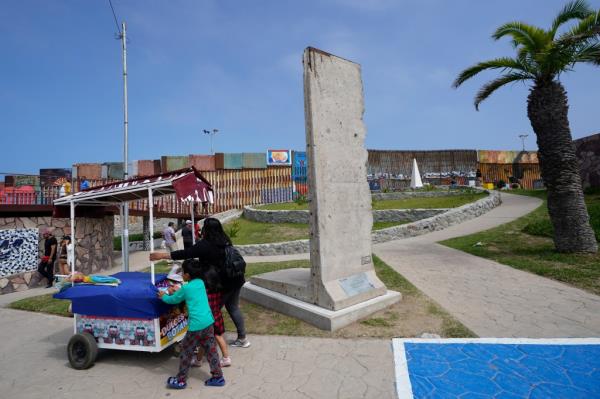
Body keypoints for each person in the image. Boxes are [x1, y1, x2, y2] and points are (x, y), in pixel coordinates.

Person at [150, 217, 250, 349]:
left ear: (206, 229)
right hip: (236, 278)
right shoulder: (225, 240)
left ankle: (206, 342)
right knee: (233, 307)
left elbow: (186, 253)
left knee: (210, 312)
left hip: (221, 283)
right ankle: (242, 338)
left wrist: (162, 256)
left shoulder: (206, 244)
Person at [158, 259, 225, 389]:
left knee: (186, 351)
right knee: (211, 351)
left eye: (183, 272)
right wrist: (178, 290)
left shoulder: (187, 287)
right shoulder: (200, 282)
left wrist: (163, 296)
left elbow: (173, 300)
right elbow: (187, 293)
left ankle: (181, 380)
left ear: (188, 275)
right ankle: (218, 377)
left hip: (196, 326)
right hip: (208, 322)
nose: (181, 274)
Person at [191, 264, 231, 368]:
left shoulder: (205, 291)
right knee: (209, 339)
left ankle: (226, 358)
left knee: (215, 337)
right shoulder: (218, 288)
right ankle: (198, 360)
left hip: (208, 318)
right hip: (216, 315)